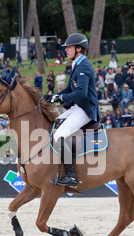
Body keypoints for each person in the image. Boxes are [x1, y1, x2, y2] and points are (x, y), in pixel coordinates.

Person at [42, 33, 100, 188]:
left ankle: (71, 176)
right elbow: (69, 89)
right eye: (66, 47)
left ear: (79, 49)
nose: (66, 50)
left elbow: (82, 92)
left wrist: (60, 99)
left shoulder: (84, 66)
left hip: (85, 110)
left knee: (60, 134)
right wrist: (53, 96)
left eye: (69, 47)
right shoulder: (76, 65)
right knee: (55, 126)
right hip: (77, 107)